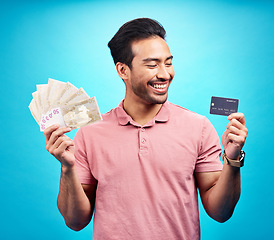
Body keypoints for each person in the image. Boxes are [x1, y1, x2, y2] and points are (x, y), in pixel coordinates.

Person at [44, 18, 248, 240]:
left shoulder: (198, 127)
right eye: (152, 65)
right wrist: (67, 168)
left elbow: (220, 212)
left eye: (168, 63)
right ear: (123, 70)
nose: (164, 74)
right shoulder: (90, 132)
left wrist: (233, 160)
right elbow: (75, 222)